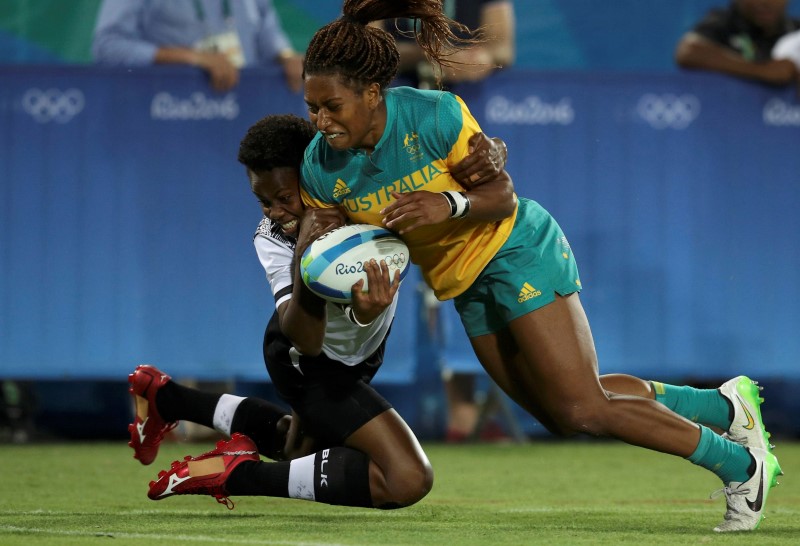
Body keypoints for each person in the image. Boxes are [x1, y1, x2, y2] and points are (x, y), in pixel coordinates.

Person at [298, 0, 782, 532]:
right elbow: (335, 255)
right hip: (462, 283)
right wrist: (357, 296)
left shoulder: (431, 114)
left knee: (582, 406)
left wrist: (449, 203)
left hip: (514, 247)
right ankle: (723, 406)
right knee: (560, 413)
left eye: (332, 107)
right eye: (312, 108)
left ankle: (742, 466)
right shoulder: (319, 167)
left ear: (372, 92)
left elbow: (500, 195)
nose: (321, 122)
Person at [137, 114, 507, 509]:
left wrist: (494, 151)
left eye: (284, 197)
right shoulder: (273, 238)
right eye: (263, 201)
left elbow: (453, 173)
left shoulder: (363, 193)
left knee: (297, 454)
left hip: (360, 353)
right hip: (304, 359)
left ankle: (168, 397)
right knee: (407, 477)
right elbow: (305, 339)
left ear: (313, 176)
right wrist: (305, 258)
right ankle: (236, 474)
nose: (275, 212)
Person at [92, 0, 304, 92]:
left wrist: (285, 56)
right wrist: (192, 58)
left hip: (246, 108)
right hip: (170, 114)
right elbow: (108, 46)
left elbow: (266, 29)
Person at [380, 0, 515, 88]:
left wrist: (482, 59)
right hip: (397, 86)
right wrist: (430, 55)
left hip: (468, 93)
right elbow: (371, 49)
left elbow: (502, 49)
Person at [674, 0, 800, 85]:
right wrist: (764, 71)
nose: (765, 2)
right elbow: (688, 51)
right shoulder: (724, 24)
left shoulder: (795, 32)